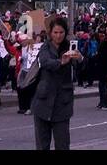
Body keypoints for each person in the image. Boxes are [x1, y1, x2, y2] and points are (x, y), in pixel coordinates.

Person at [31, 17, 82, 150]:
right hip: (43, 100)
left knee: (63, 144)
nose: (58, 36)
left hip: (62, 103)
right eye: (55, 32)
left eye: (61, 32)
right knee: (42, 144)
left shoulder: (70, 47)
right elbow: (45, 62)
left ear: (65, 33)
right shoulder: (45, 47)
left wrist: (80, 59)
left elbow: (82, 69)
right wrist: (61, 62)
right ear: (50, 33)